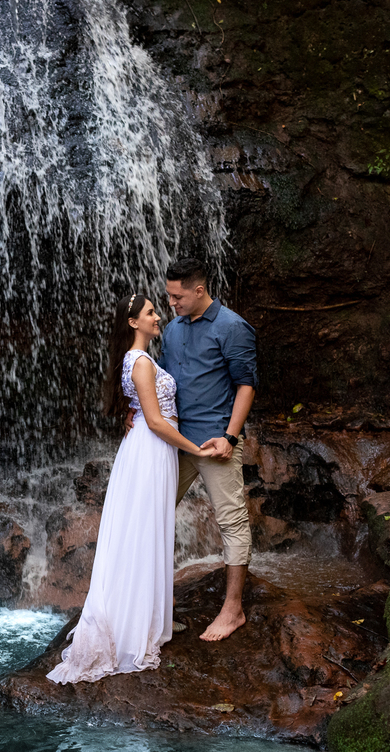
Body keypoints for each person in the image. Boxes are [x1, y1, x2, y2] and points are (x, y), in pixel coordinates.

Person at [47, 293, 217, 684]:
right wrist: (197, 449)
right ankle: (134, 626)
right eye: (151, 313)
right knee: (143, 532)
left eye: (157, 310)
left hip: (150, 449)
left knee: (146, 530)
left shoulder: (139, 361)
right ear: (132, 323)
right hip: (151, 448)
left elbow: (145, 412)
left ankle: (147, 618)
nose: (159, 317)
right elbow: (156, 422)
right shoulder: (140, 362)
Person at [158, 257, 258, 641]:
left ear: (199, 290)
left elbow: (246, 384)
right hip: (177, 443)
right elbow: (163, 382)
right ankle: (157, 604)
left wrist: (230, 438)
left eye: (176, 296)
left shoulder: (233, 327)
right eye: (168, 296)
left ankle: (233, 610)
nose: (171, 303)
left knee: (232, 523)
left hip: (217, 443)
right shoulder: (172, 329)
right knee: (154, 515)